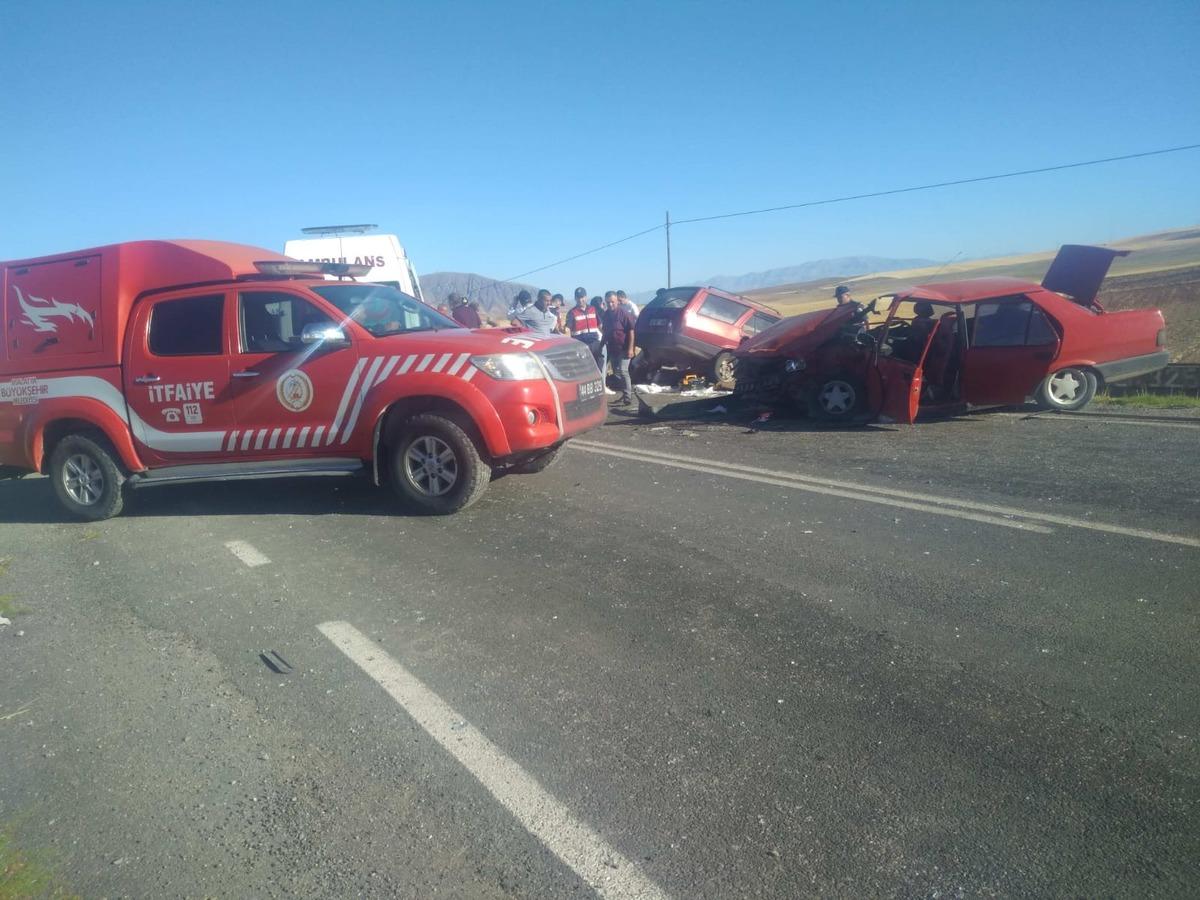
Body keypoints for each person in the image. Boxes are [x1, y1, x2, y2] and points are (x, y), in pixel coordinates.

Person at [602, 291, 637, 405]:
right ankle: (624, 393)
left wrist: (630, 349)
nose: (610, 304)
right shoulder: (606, 315)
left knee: (623, 370)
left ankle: (628, 397)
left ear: (617, 301)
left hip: (624, 347)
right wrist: (601, 345)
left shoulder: (624, 314)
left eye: (612, 302)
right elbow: (605, 332)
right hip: (613, 348)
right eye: (608, 302)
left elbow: (631, 331)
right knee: (617, 372)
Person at [566, 286, 603, 368]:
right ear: (575, 298)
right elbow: (567, 330)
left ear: (586, 297)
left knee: (599, 366)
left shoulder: (593, 309)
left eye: (582, 297)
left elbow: (600, 325)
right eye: (578, 298)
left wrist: (605, 339)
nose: (580, 300)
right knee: (585, 368)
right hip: (580, 346)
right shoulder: (572, 312)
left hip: (595, 344)